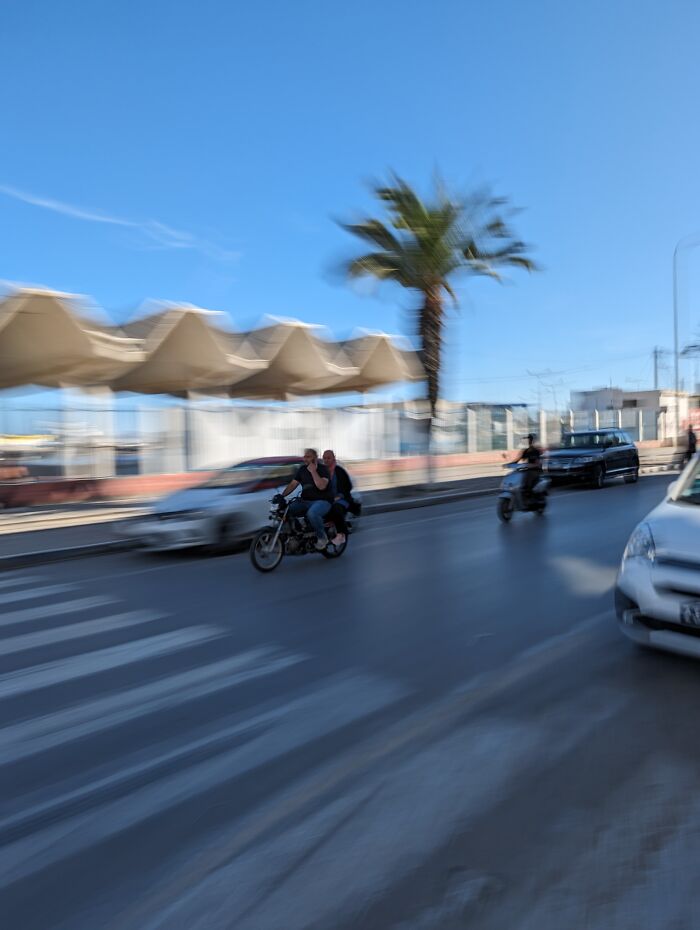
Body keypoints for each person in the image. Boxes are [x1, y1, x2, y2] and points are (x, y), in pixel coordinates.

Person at [280, 448, 333, 549]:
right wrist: (282, 496)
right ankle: (293, 535)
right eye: (304, 456)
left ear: (315, 458)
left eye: (308, 456)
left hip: (323, 501)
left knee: (312, 513)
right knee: (285, 510)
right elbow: (293, 484)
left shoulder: (323, 469)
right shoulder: (302, 469)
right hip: (305, 501)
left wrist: (313, 471)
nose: (305, 459)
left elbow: (321, 486)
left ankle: (322, 537)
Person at [322, 449, 353, 546]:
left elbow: (348, 486)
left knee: (336, 508)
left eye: (328, 458)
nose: (326, 460)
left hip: (342, 499)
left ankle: (341, 534)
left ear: (333, 458)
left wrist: (340, 496)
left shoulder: (339, 471)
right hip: (328, 499)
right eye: (324, 458)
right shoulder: (322, 471)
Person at [512, 433, 542, 502]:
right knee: (519, 477)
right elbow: (517, 460)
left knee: (527, 480)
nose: (529, 441)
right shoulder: (525, 451)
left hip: (535, 471)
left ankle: (531, 497)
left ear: (534, 441)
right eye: (528, 439)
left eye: (531, 439)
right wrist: (510, 464)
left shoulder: (536, 451)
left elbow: (538, 463)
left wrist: (531, 465)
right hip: (527, 470)